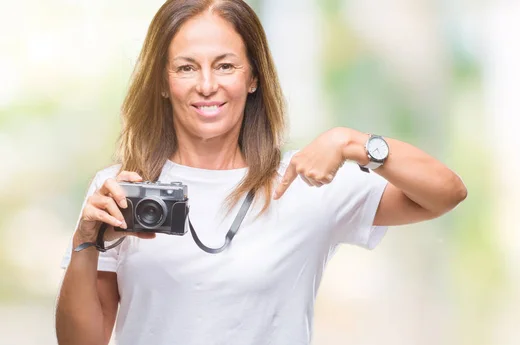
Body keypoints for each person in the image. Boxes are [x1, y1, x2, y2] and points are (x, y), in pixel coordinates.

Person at [55, 0, 467, 344]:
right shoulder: (125, 189)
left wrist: (352, 143)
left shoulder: (305, 180)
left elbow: (446, 193)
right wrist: (84, 242)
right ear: (163, 82)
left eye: (225, 66)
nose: (206, 84)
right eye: (185, 68)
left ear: (253, 77)